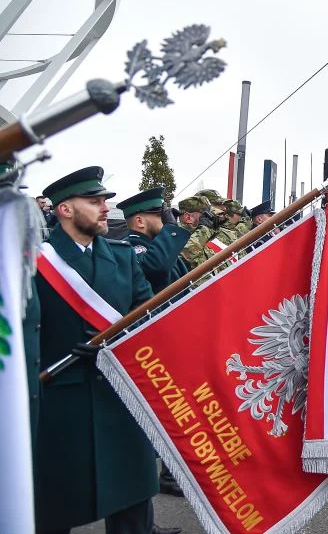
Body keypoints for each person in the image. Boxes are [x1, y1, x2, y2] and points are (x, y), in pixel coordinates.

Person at [35, 166, 178, 534]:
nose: (103, 208)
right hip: (61, 407)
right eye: (93, 201)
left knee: (132, 512)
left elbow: (148, 322)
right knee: (53, 511)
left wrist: (119, 343)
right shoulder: (37, 264)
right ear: (65, 209)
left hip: (122, 403)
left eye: (104, 201)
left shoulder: (123, 257)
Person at [117, 187, 191, 499]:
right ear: (139, 221)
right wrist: (171, 228)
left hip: (172, 336)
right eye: (156, 214)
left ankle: (168, 473)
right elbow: (158, 268)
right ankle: (150, 480)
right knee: (153, 415)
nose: (163, 218)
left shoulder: (157, 246)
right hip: (150, 343)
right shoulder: (132, 248)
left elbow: (180, 275)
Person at [118, 187, 190, 295]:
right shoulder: (129, 248)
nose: (166, 219)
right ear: (139, 221)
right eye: (161, 216)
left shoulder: (160, 246)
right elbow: (155, 268)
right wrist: (170, 228)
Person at [176, 195, 213, 269]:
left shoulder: (202, 235)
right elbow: (182, 259)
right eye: (205, 214)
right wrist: (204, 230)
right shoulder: (175, 236)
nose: (210, 216)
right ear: (188, 218)